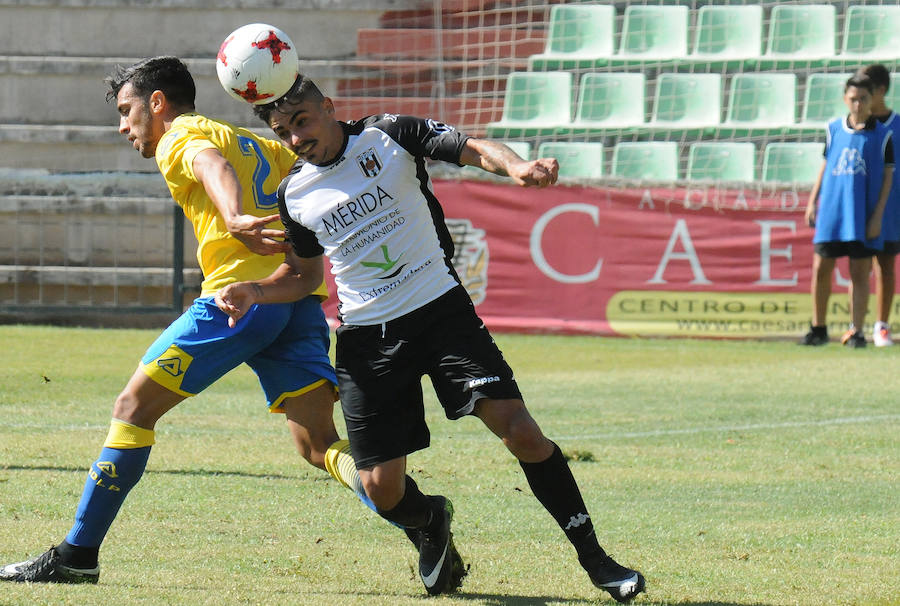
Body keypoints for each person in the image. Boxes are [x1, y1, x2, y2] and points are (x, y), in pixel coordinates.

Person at [213, 74, 646, 603]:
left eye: (302, 122)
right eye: (284, 132)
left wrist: (515, 166)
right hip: (367, 342)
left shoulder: (388, 134)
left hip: (441, 313)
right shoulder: (295, 194)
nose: (296, 138)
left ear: (329, 107)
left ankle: (597, 561)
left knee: (522, 433)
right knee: (381, 488)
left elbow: (470, 146)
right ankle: (430, 519)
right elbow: (305, 277)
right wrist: (253, 291)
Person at [0, 56, 388, 584]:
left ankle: (77, 556)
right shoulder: (258, 142)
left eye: (126, 109)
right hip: (293, 299)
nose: (122, 125)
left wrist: (232, 216)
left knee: (132, 408)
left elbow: (209, 164)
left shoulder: (180, 135)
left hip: (237, 303)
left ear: (156, 103)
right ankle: (422, 520)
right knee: (319, 446)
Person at [801, 74, 895, 348]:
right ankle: (818, 329)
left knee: (859, 271)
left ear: (871, 100)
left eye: (863, 99)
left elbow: (888, 177)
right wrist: (812, 201)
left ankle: (857, 331)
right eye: (853, 99)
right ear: (845, 99)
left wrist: (877, 216)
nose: (857, 104)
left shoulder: (883, 136)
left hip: (862, 212)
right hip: (833, 210)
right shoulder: (833, 129)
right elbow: (824, 166)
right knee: (821, 268)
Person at [856, 64, 900, 347]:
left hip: (892, 209)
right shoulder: (856, 124)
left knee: (885, 264)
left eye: (866, 90)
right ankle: (855, 327)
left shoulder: (897, 125)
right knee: (858, 267)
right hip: (862, 206)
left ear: (880, 91)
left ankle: (882, 327)